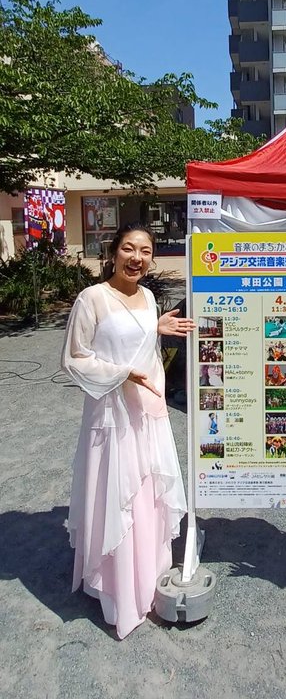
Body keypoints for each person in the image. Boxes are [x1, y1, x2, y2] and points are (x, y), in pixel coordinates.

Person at [62, 224, 195, 639]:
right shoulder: (92, 298)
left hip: (146, 415)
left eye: (145, 251)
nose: (136, 258)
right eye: (128, 249)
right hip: (112, 416)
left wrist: (155, 329)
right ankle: (119, 590)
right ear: (113, 252)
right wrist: (122, 374)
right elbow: (74, 359)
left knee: (145, 497)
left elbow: (137, 345)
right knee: (117, 497)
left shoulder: (150, 297)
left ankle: (149, 577)